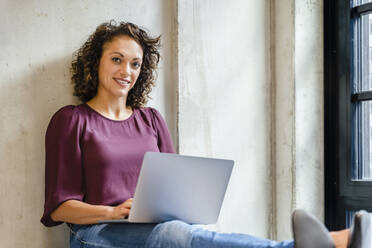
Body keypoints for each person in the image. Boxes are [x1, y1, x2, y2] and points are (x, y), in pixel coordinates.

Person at [40, 20, 370, 248]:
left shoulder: (152, 120)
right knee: (177, 236)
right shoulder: (72, 121)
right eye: (117, 60)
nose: (126, 71)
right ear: (95, 62)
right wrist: (112, 212)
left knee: (184, 233)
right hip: (96, 234)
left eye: (135, 64)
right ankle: (325, 243)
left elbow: (171, 187)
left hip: (153, 228)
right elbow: (59, 208)